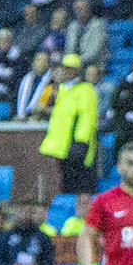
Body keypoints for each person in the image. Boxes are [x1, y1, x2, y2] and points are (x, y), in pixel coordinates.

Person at [39, 54, 98, 195]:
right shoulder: (63, 90)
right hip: (63, 148)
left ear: (75, 71)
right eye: (63, 68)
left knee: (79, 186)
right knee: (66, 184)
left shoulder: (85, 90)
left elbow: (86, 117)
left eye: (68, 69)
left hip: (76, 147)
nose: (64, 72)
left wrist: (80, 142)